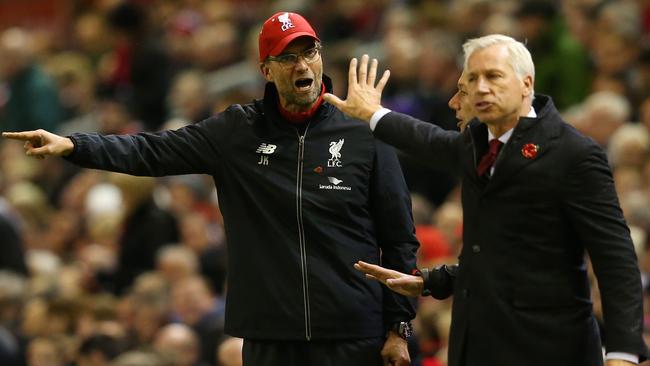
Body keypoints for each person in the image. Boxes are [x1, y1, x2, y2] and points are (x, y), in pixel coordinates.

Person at [3, 12, 418, 366]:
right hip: (269, 335)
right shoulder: (236, 131)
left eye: (309, 52)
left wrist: (399, 327)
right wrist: (75, 145)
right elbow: (150, 150)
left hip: (353, 332)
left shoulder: (365, 133)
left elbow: (399, 238)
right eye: (287, 57)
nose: (302, 66)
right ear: (266, 70)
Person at [323, 34, 648, 366]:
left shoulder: (573, 153)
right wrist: (429, 282)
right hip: (477, 348)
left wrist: (623, 353)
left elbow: (616, 260)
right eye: (472, 80)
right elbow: (426, 140)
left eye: (492, 76)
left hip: (549, 350)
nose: (479, 88)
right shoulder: (477, 145)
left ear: (526, 84)